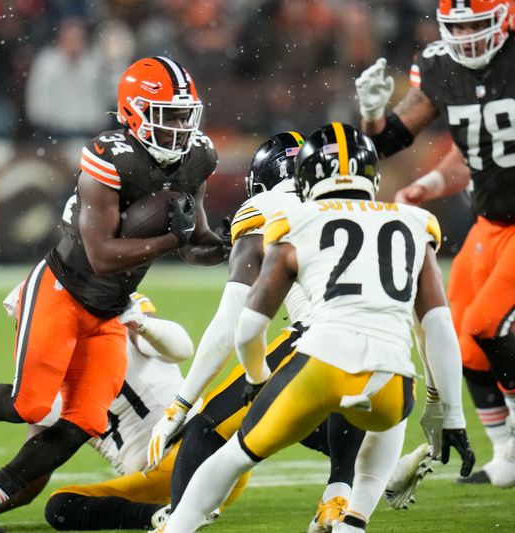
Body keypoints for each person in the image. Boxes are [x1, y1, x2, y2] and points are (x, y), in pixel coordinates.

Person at [0, 56, 229, 533]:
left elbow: (195, 244)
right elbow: (101, 255)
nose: (180, 127)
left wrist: (230, 242)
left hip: (112, 309)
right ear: (134, 113)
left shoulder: (197, 156)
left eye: (184, 114)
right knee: (29, 405)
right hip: (63, 290)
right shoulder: (108, 156)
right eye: (169, 114)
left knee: (85, 419)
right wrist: (171, 239)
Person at [160, 123, 475, 533]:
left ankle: (175, 526)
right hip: (392, 383)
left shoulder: (294, 220)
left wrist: (256, 379)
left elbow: (247, 325)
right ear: (373, 177)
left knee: (234, 454)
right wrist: (447, 413)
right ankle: (349, 518)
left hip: (321, 362)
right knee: (378, 427)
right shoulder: (413, 222)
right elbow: (436, 328)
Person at [146, 131, 369, 533]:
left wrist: (180, 404)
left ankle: (178, 524)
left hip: (318, 334)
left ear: (260, 182)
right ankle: (342, 495)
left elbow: (233, 322)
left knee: (205, 429)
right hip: (380, 341)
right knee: (308, 412)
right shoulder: (351, 202)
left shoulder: (264, 207)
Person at [354, 0, 515, 486]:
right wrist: (371, 112)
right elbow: (388, 141)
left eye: (476, 23)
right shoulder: (443, 66)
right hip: (490, 220)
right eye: (458, 25)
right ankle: (506, 454)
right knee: (458, 338)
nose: (466, 35)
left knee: (488, 324)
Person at [0, 290, 213, 530]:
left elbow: (183, 348)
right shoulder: (52, 384)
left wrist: (143, 324)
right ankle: (164, 515)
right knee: (61, 507)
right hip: (159, 483)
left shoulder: (120, 324)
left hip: (197, 442)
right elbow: (25, 481)